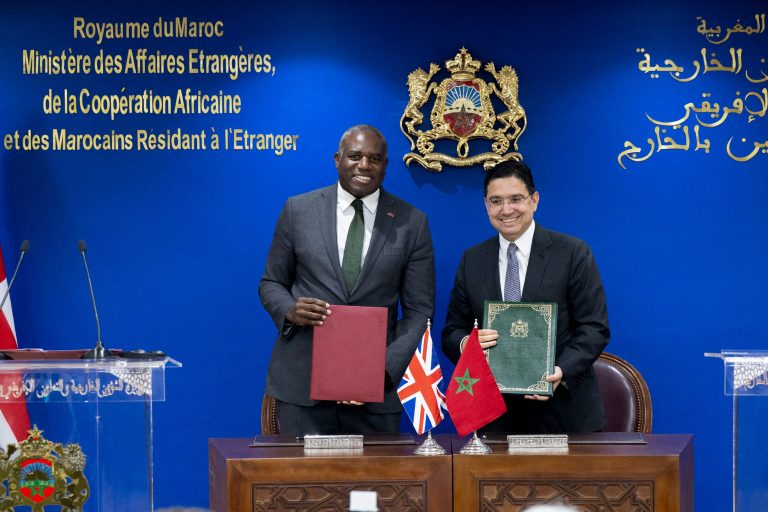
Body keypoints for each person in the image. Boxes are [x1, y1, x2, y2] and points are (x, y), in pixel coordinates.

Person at [259, 124, 435, 435]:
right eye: (355, 156)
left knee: (374, 471)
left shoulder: (412, 222)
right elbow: (271, 283)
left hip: (376, 392)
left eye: (374, 158)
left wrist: (380, 373)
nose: (364, 165)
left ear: (385, 165)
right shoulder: (298, 210)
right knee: (300, 470)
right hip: (302, 386)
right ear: (337, 159)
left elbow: (419, 310)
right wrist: (289, 310)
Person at [441, 160, 610, 433]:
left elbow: (594, 328)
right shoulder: (472, 260)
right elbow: (452, 330)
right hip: (494, 417)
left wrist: (562, 371)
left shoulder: (572, 253)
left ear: (534, 200)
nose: (506, 210)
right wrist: (466, 344)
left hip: (563, 416)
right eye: (496, 201)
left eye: (516, 199)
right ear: (486, 205)